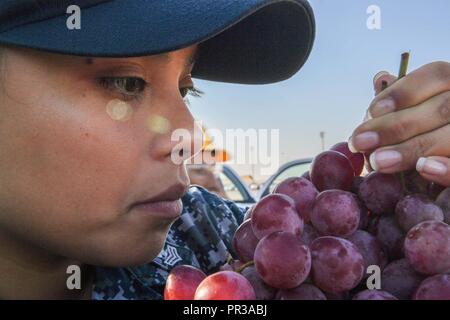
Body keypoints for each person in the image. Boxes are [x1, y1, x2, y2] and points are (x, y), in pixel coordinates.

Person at [0, 1, 448, 300]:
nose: (190, 138)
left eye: (187, 90)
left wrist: (430, 190)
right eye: (126, 83)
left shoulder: (207, 235)